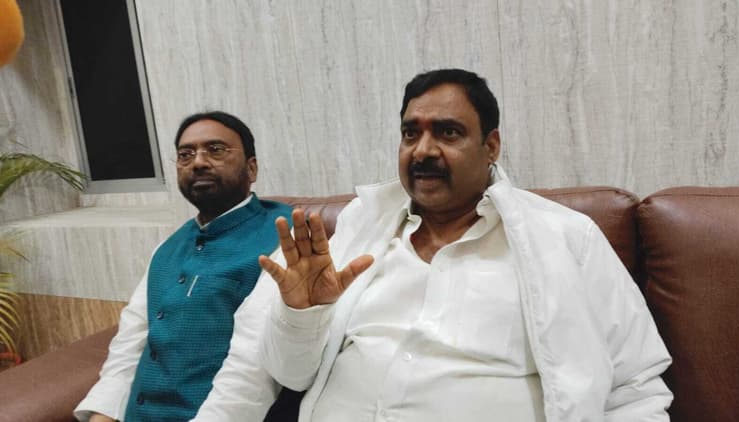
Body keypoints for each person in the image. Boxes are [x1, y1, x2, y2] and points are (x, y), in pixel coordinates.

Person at [254, 69, 673, 421]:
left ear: (491, 146)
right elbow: (291, 375)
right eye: (410, 133)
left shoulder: (566, 237)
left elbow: (636, 386)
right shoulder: (360, 228)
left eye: (448, 132)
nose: (423, 150)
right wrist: (302, 314)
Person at [74, 111, 291, 422]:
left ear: (251, 168)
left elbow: (255, 370)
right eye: (185, 154)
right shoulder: (167, 249)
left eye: (216, 150)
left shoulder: (286, 236)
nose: (198, 162)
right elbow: (130, 344)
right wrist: (102, 415)